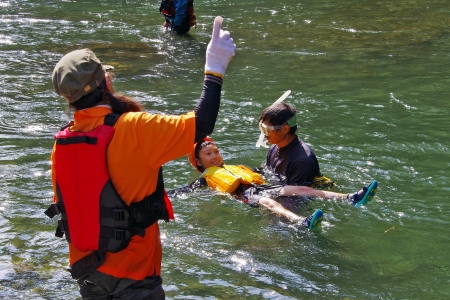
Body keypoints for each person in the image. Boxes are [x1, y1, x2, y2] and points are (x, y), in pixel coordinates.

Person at [45, 16, 235, 299]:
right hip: (133, 276)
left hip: (87, 273)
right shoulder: (134, 127)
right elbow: (201, 125)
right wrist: (214, 68)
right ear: (105, 83)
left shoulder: (63, 142)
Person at [181, 138, 377, 228]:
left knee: (302, 189)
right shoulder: (205, 180)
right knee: (270, 203)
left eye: (216, 151)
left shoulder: (234, 167)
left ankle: (351, 198)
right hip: (245, 195)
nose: (215, 156)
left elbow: (256, 172)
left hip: (261, 187)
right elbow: (184, 191)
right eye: (208, 154)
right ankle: (300, 221)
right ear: (198, 162)